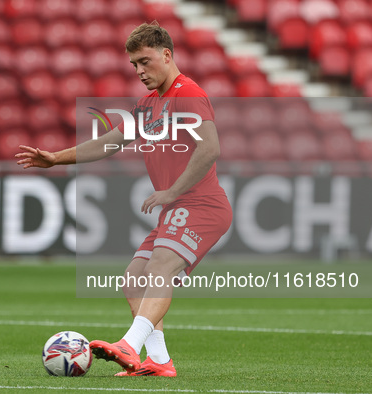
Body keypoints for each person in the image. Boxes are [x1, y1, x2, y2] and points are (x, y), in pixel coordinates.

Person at [15, 22, 232, 377]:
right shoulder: (148, 105)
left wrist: (173, 191)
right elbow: (108, 142)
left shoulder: (187, 93)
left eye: (145, 62)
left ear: (167, 54)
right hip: (177, 208)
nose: (139, 71)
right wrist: (57, 157)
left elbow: (210, 149)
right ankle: (159, 361)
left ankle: (129, 344)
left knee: (159, 267)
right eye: (134, 65)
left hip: (202, 205)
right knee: (133, 278)